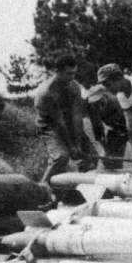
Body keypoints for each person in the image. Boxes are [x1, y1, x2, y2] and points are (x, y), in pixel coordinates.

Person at [34, 54, 96, 184]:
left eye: (74, 73)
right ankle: (42, 188)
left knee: (91, 155)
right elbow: (58, 123)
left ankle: (83, 188)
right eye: (68, 74)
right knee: (62, 157)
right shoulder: (47, 93)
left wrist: (78, 143)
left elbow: (76, 116)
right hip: (49, 126)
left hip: (68, 123)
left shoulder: (74, 86)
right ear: (58, 71)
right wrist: (72, 146)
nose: (72, 77)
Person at [85, 84, 128, 170]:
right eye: (94, 103)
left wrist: (116, 143)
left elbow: (123, 126)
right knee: (106, 157)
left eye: (98, 101)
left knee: (117, 153)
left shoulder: (114, 101)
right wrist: (103, 143)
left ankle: (117, 167)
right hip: (110, 124)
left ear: (104, 96)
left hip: (120, 125)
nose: (96, 104)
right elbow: (96, 125)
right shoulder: (91, 106)